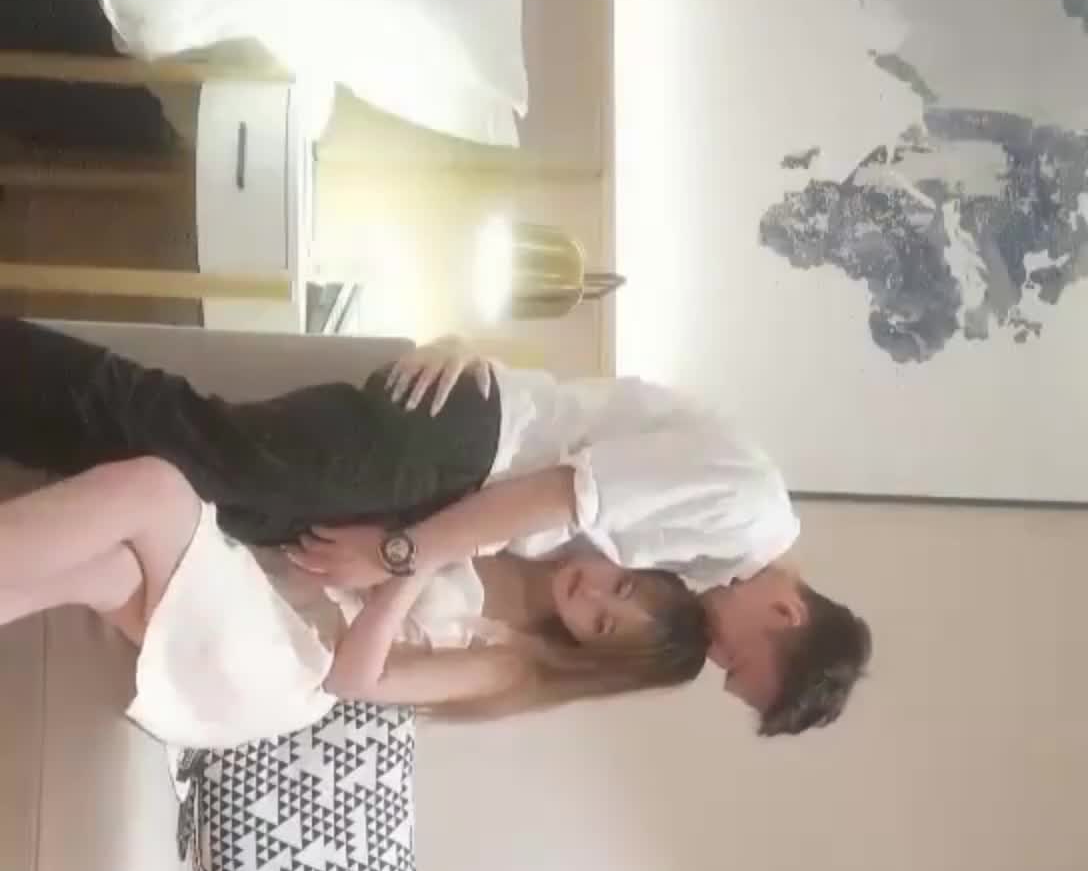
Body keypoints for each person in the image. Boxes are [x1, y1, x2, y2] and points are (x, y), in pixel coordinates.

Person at [0, 317, 871, 735]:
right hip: (462, 455)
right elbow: (552, 491)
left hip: (444, 479)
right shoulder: (744, 507)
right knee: (177, 447)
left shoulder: (690, 576)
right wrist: (398, 553)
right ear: (786, 613)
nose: (718, 661)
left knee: (165, 469)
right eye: (741, 664)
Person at [0, 457, 710, 748]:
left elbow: (354, 679)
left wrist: (414, 560)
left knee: (155, 489)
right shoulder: (523, 538)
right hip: (267, 599)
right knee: (106, 572)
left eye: (602, 622)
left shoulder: (512, 663)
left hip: (283, 666)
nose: (592, 594)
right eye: (621, 584)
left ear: (586, 648)